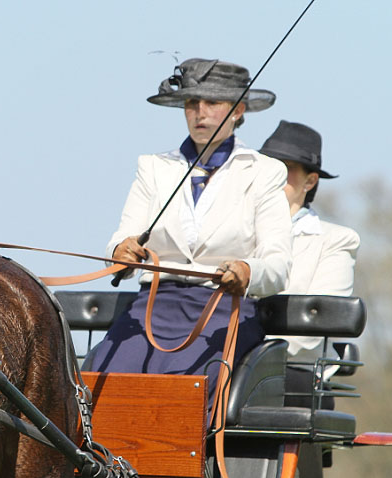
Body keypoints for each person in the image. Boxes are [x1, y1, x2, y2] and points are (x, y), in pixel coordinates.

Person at [87, 58, 292, 415]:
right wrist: (122, 252)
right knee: (101, 382)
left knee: (187, 393)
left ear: (238, 110)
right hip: (153, 306)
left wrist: (246, 270)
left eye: (212, 103)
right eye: (191, 103)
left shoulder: (265, 172)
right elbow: (122, 239)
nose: (200, 113)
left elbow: (277, 266)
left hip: (223, 311)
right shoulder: (153, 168)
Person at [258, 120, 360, 369]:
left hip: (292, 378)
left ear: (310, 181)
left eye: (286, 168)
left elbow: (309, 331)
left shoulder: (335, 241)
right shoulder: (236, 230)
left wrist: (243, 348)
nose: (274, 175)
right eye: (268, 167)